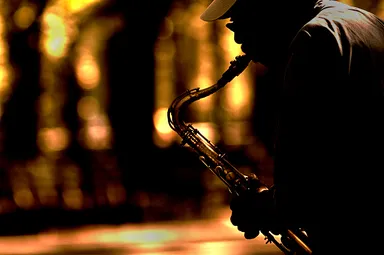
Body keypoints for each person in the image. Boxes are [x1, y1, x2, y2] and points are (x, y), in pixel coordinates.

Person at [199, 0, 384, 254]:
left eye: (239, 22)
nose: (239, 39)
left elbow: (300, 191)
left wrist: (261, 206)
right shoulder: (368, 22)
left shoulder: (312, 38)